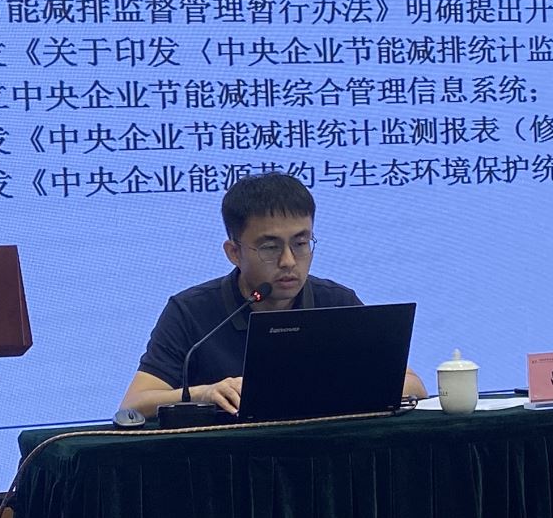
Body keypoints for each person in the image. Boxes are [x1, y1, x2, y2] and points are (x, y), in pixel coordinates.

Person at [119, 173, 427, 418]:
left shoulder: (336, 302)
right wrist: (203, 393)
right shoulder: (190, 311)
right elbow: (134, 404)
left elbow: (414, 386)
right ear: (234, 252)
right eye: (270, 247)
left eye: (301, 243)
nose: (289, 261)